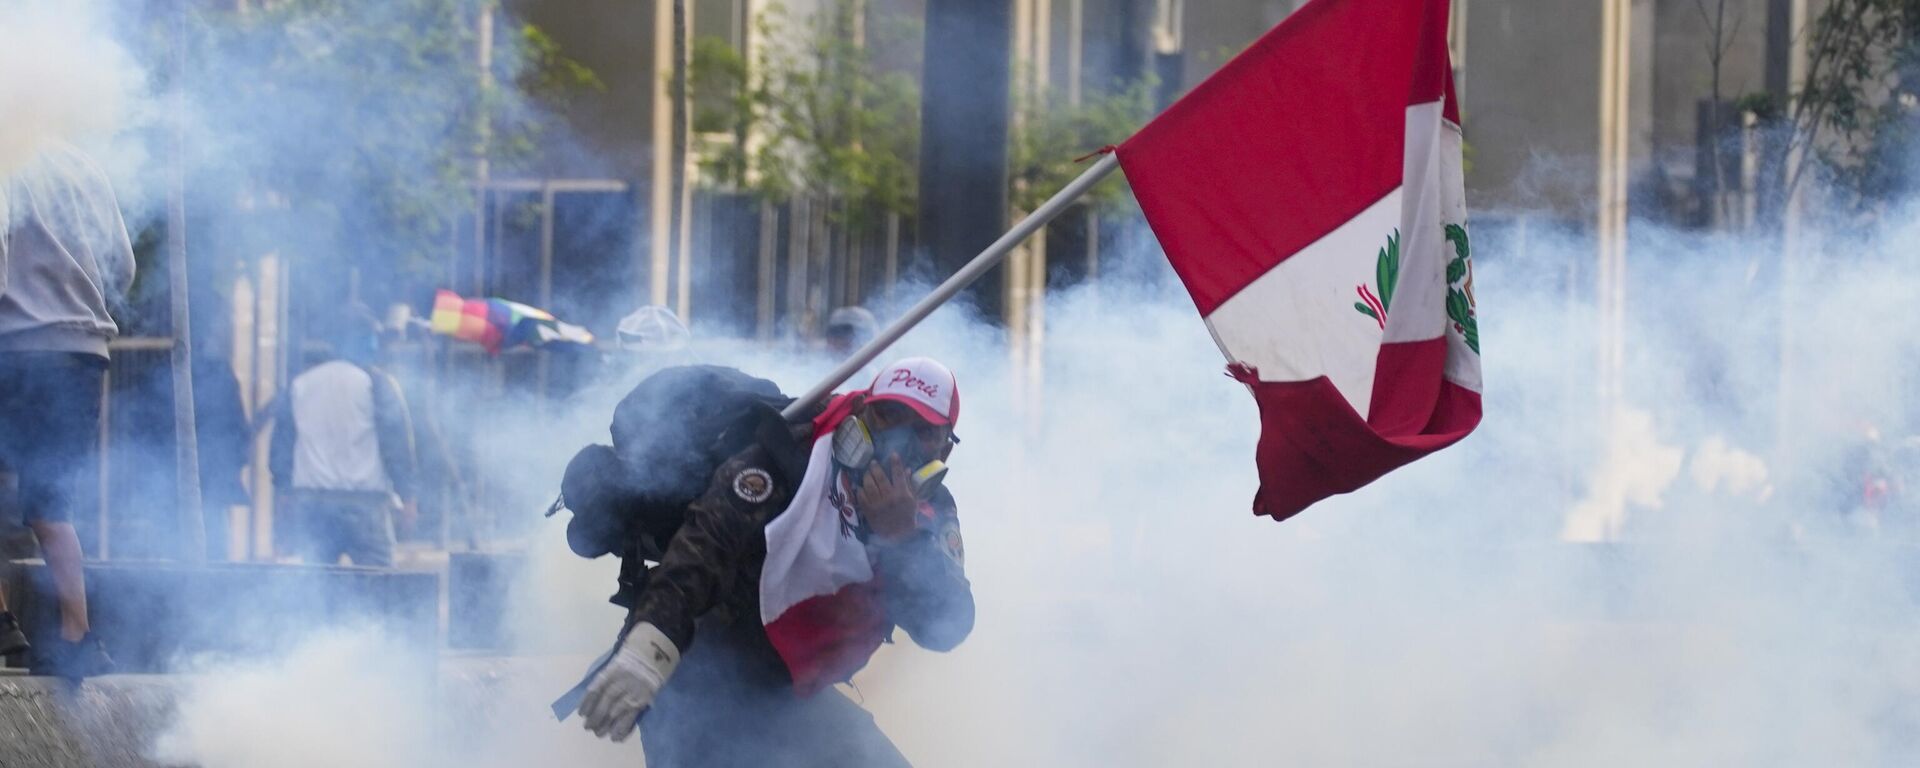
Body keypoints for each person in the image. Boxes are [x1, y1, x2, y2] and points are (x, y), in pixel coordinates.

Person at [575, 357, 974, 767]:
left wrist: (902, 539)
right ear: (861, 413)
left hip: (784, 693)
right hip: (698, 670)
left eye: (922, 432)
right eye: (888, 415)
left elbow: (946, 626)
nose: (899, 441)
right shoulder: (795, 451)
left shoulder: (929, 512)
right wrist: (649, 650)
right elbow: (705, 545)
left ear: (944, 447)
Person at [0, 143, 132, 679]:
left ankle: (5, 624)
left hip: (16, 349)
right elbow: (121, 265)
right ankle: (78, 635)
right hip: (84, 353)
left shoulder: (8, 160)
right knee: (52, 505)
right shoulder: (86, 166)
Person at [268, 313, 418, 567]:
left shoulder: (300, 385)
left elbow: (282, 448)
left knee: (319, 592)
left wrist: (283, 497)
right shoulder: (377, 383)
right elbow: (397, 446)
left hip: (312, 505)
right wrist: (409, 498)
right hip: (365, 505)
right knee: (376, 590)